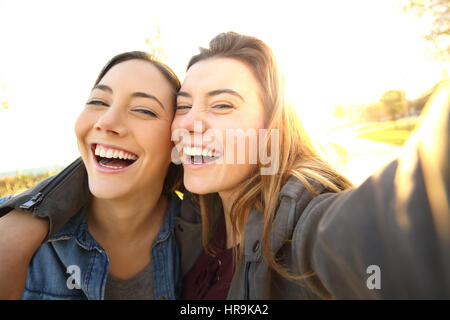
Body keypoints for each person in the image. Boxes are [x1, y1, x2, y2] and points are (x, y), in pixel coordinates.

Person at [1, 32, 450, 299]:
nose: (191, 122)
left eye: (222, 105)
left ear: (271, 128)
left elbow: (393, 227)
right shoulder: (197, 220)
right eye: (184, 105)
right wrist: (28, 216)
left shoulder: (301, 226)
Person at [0, 51, 184, 299]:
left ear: (177, 141)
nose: (106, 121)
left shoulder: (205, 238)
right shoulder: (10, 223)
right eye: (98, 102)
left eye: (143, 110)